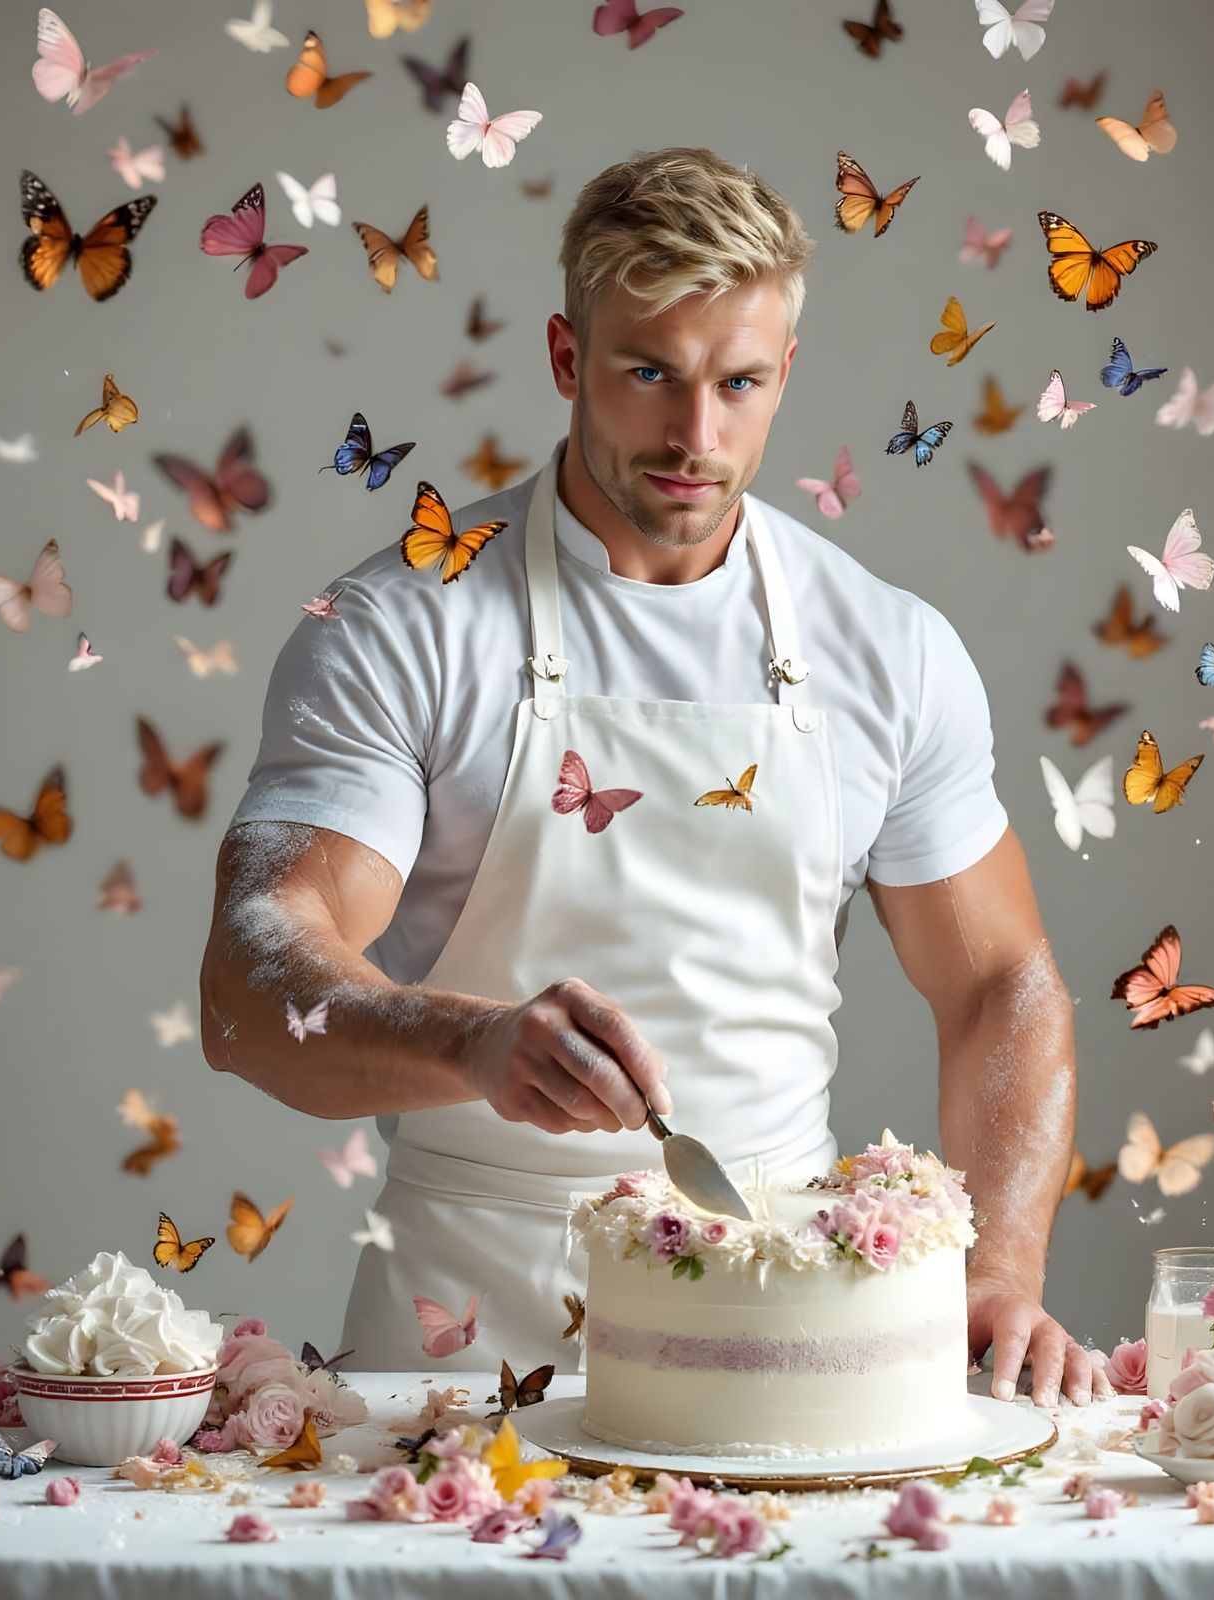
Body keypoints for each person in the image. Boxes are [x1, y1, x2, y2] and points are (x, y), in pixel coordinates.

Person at [200, 146, 1107, 1409]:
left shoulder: (886, 650)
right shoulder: (401, 627)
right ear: (568, 360)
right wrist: (474, 1041)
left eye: (739, 383)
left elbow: (1000, 980)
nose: (696, 434)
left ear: (786, 371)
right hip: (458, 1349)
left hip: (783, 1316)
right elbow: (250, 983)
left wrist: (1001, 1264)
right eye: (648, 375)